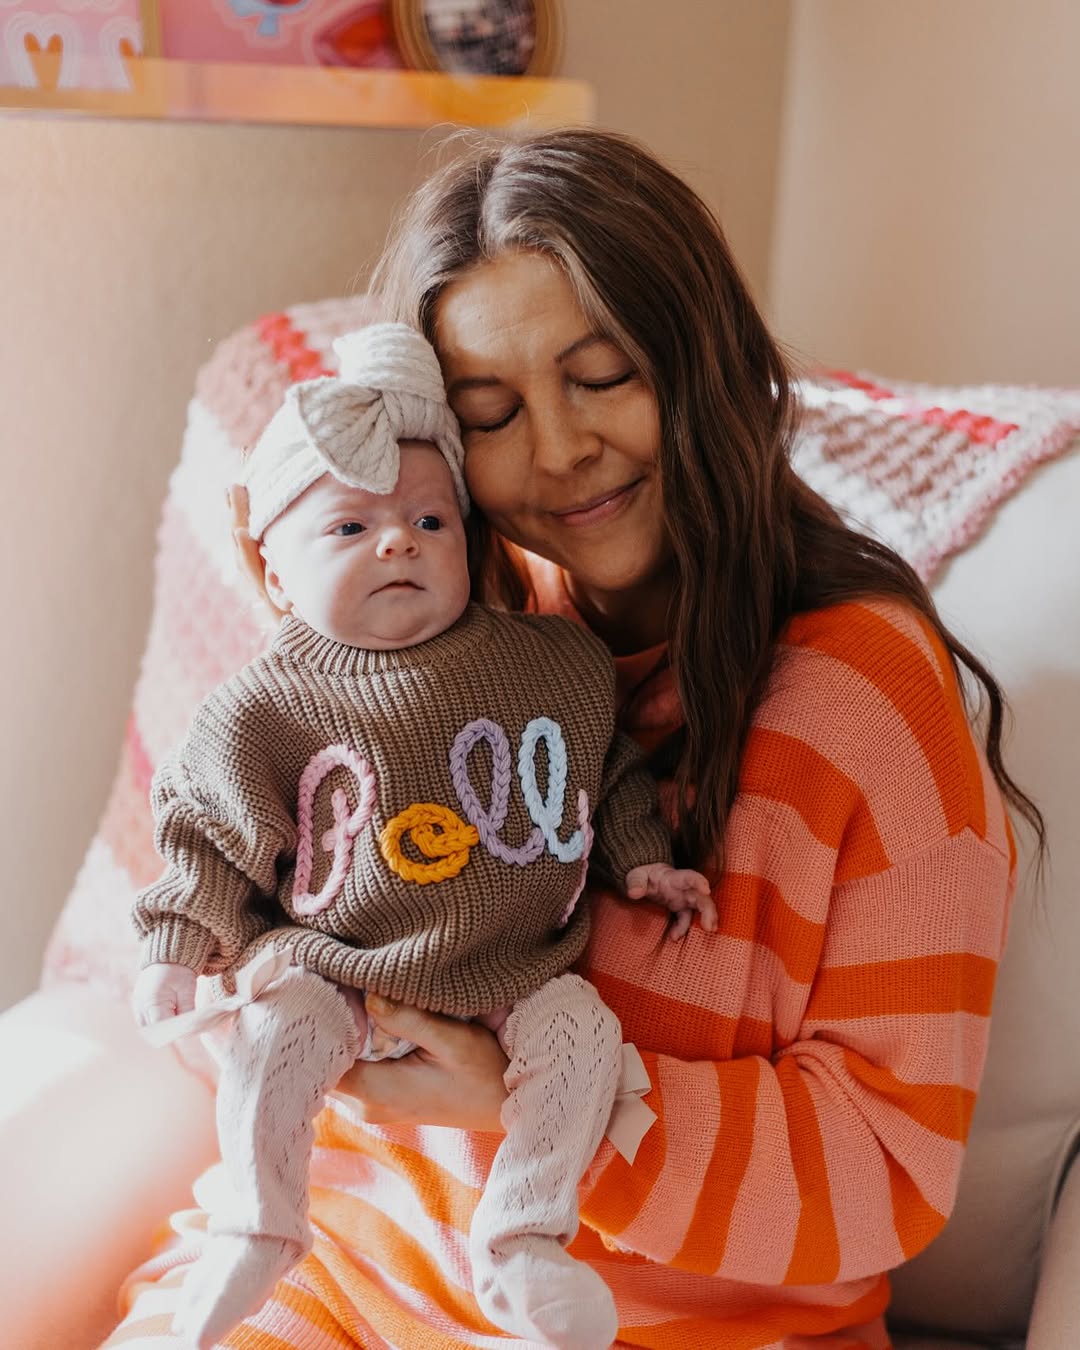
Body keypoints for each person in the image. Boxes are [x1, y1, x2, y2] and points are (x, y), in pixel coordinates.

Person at [103, 128, 1041, 1350]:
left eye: (601, 377)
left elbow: (887, 1175)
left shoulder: (866, 701)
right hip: (338, 1280)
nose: (557, 451)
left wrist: (530, 1109)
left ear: (706, 362)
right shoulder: (449, 631)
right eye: (491, 413)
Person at [129, 320, 714, 1350]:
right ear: (274, 573)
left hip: (518, 970)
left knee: (583, 1040)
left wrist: (644, 861)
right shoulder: (262, 708)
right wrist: (174, 949)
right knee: (273, 1033)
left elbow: (608, 772)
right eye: (350, 527)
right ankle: (259, 1221)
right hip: (342, 970)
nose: (398, 542)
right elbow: (207, 843)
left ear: (469, 544)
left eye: (429, 520)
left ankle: (524, 1238)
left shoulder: (552, 663)